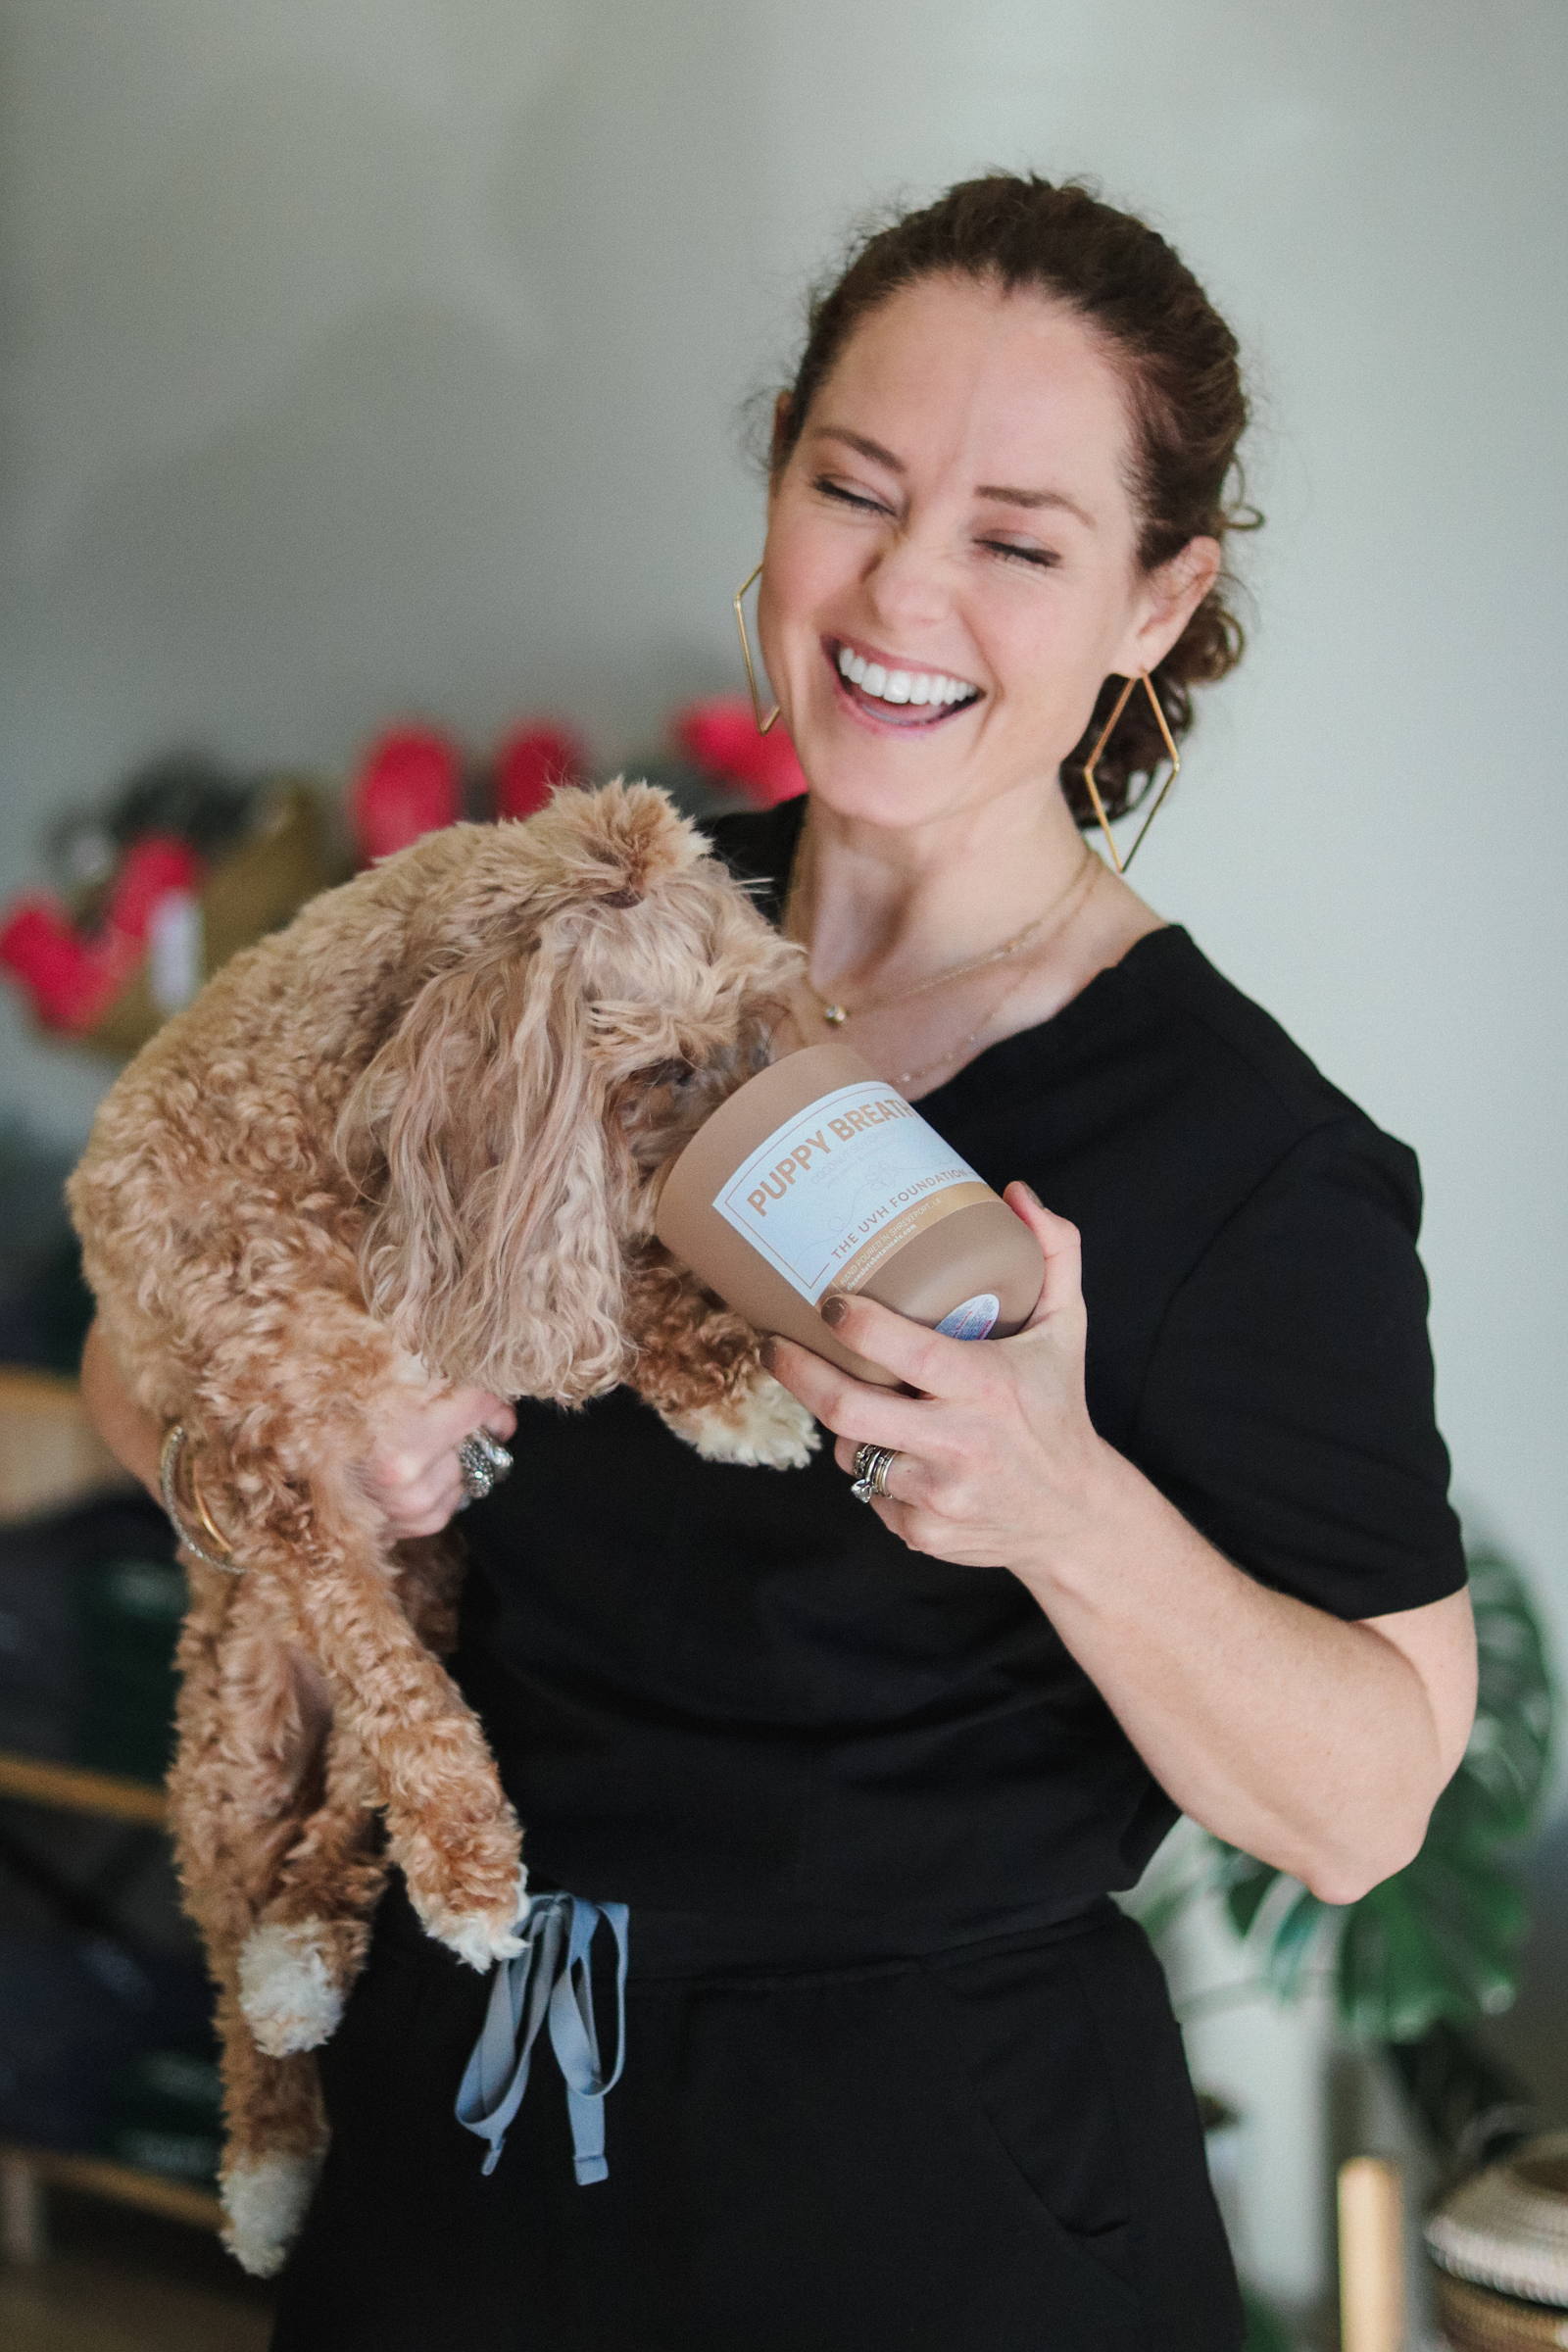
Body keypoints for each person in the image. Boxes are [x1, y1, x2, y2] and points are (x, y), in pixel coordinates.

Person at [80, 173, 1477, 2350]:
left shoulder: (1239, 1157)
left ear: (1154, 599)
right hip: (466, 2131)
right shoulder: (559, 941)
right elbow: (146, 1344)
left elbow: (1367, 1802)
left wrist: (1057, 1503)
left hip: (928, 2208)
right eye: (855, 488)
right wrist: (276, 1457)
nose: (903, 590)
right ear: (775, 495)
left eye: (1018, 541)